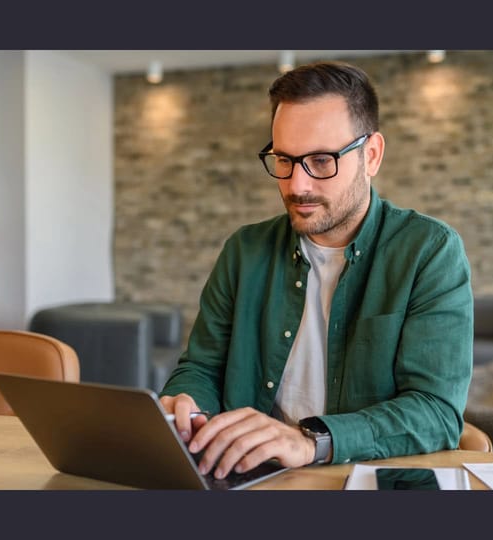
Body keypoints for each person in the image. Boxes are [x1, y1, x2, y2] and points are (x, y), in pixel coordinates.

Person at [159, 61, 473, 480]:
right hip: (245, 478)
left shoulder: (428, 250)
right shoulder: (244, 250)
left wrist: (311, 440)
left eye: (322, 161)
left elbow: (436, 412)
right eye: (284, 159)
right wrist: (187, 405)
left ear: (371, 155)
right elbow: (201, 368)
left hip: (360, 479)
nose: (297, 185)